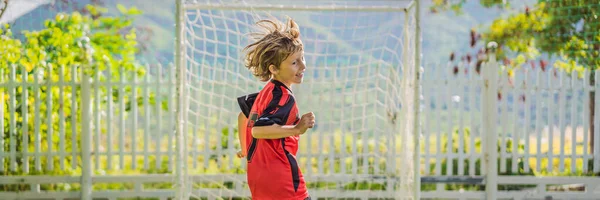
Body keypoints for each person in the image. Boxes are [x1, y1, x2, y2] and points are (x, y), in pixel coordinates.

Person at [235, 17, 315, 200]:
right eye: (295, 62)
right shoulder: (284, 98)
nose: (303, 66)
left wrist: (245, 149)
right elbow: (259, 130)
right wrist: (297, 128)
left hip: (259, 179)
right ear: (274, 69)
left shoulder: (266, 93)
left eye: (302, 58)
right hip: (283, 182)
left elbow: (243, 116)